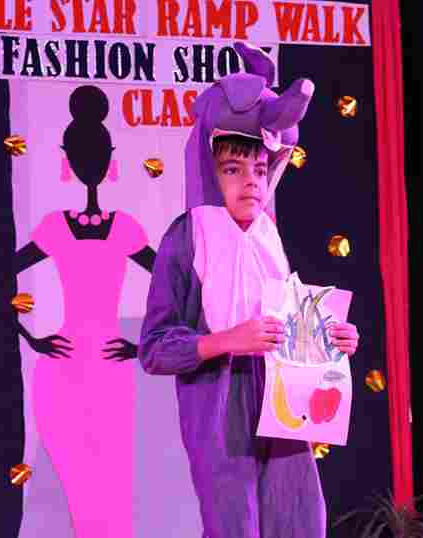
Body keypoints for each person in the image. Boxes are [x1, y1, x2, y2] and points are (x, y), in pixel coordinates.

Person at [138, 43, 360, 537]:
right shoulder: (186, 238)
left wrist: (332, 340)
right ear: (208, 171)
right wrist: (227, 340)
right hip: (221, 407)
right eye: (233, 169)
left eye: (260, 170)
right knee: (236, 525)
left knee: (299, 520)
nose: (251, 182)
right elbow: (153, 349)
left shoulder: (267, 237)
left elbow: (291, 322)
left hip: (283, 402)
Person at [11, 85, 154, 537]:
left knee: (111, 481)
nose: (87, 162)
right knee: (81, 486)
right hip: (67, 368)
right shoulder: (57, 228)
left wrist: (144, 344)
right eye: (83, 154)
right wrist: (31, 338)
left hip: (107, 369)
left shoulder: (123, 228)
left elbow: (178, 286)